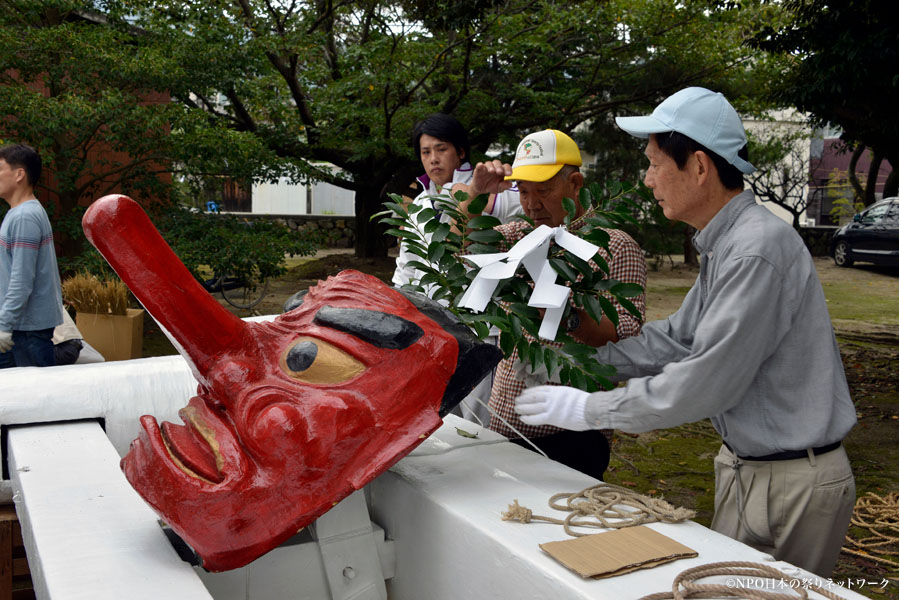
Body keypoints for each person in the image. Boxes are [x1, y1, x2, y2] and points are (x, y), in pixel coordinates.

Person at [513, 88, 856, 577]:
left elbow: (708, 379)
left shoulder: (755, 249)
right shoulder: (728, 243)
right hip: (750, 467)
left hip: (792, 480)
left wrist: (590, 408)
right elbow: (676, 339)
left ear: (698, 166)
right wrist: (574, 364)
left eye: (654, 163)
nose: (648, 178)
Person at [459, 129, 646, 480]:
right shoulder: (520, 236)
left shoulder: (616, 247)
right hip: (505, 426)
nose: (531, 204)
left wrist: (567, 318)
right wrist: (475, 195)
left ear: (575, 184)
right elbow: (465, 250)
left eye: (543, 191)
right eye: (524, 192)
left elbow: (626, 334)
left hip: (574, 434)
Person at [392, 114, 523, 293]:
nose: (433, 159)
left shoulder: (490, 186)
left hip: (480, 311)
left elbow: (524, 205)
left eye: (441, 149)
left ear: (461, 151)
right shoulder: (420, 202)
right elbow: (407, 265)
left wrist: (473, 193)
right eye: (426, 152)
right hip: (428, 310)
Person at [0, 143, 64, 368]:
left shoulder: (24, 217)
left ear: (19, 174)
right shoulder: (19, 213)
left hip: (25, 330)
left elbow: (22, 280)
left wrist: (4, 325)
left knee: (31, 399)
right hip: (21, 327)